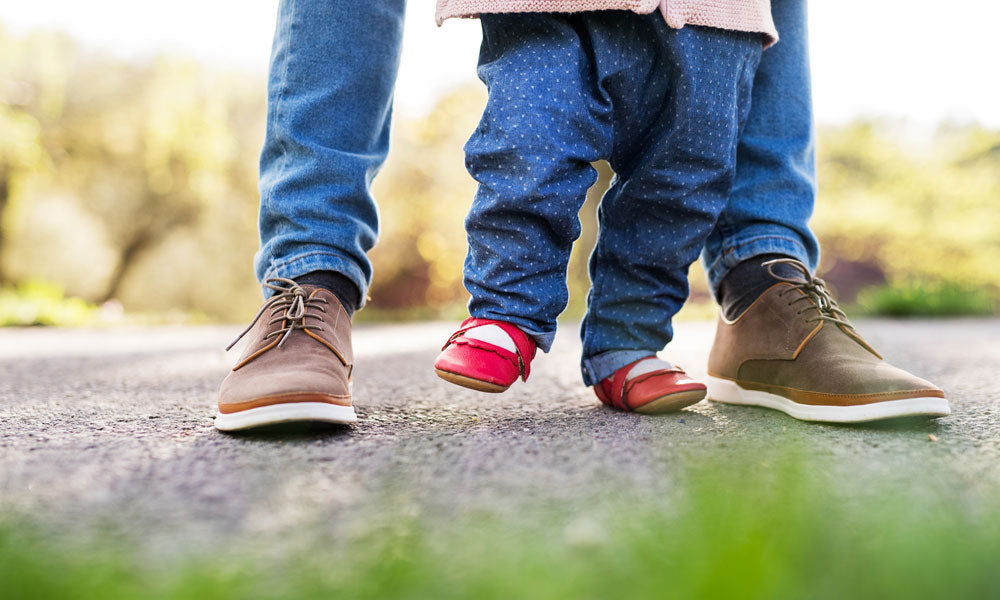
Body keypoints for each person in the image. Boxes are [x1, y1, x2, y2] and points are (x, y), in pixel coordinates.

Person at [213, 0, 949, 432]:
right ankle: (476, 311)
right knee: (527, 152)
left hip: (712, 12)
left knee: (684, 182)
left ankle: (637, 341)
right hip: (547, 8)